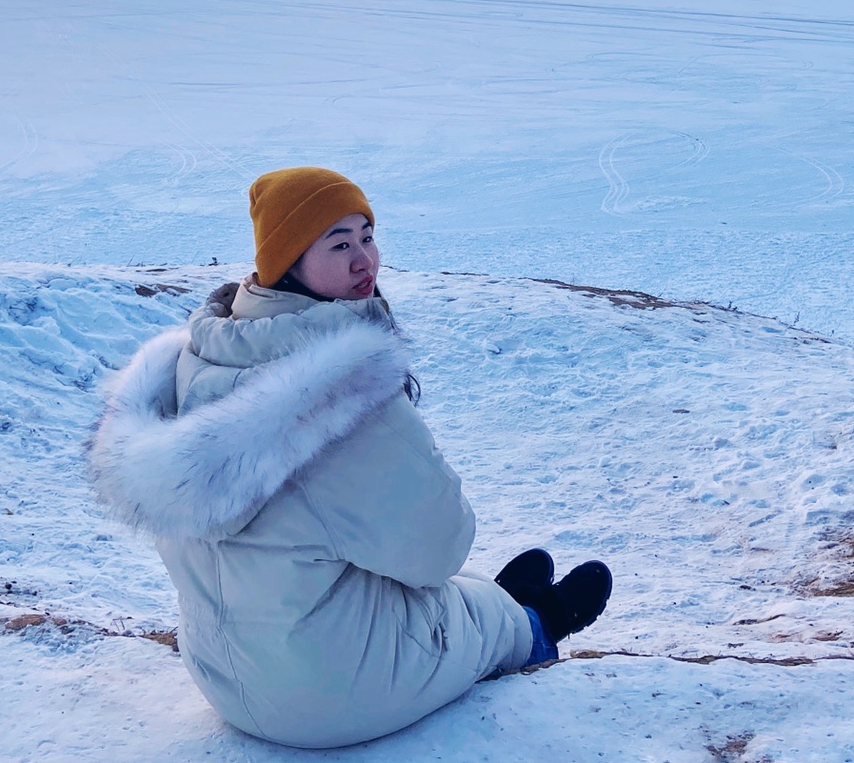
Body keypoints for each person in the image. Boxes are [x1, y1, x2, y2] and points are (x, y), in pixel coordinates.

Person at [89, 166, 611, 748]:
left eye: (367, 235)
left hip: (223, 676)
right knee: (465, 606)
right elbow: (437, 551)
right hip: (332, 696)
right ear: (288, 261)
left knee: (357, 568)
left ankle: (500, 602)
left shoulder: (195, 364)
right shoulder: (329, 397)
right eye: (339, 245)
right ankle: (534, 628)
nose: (365, 260)